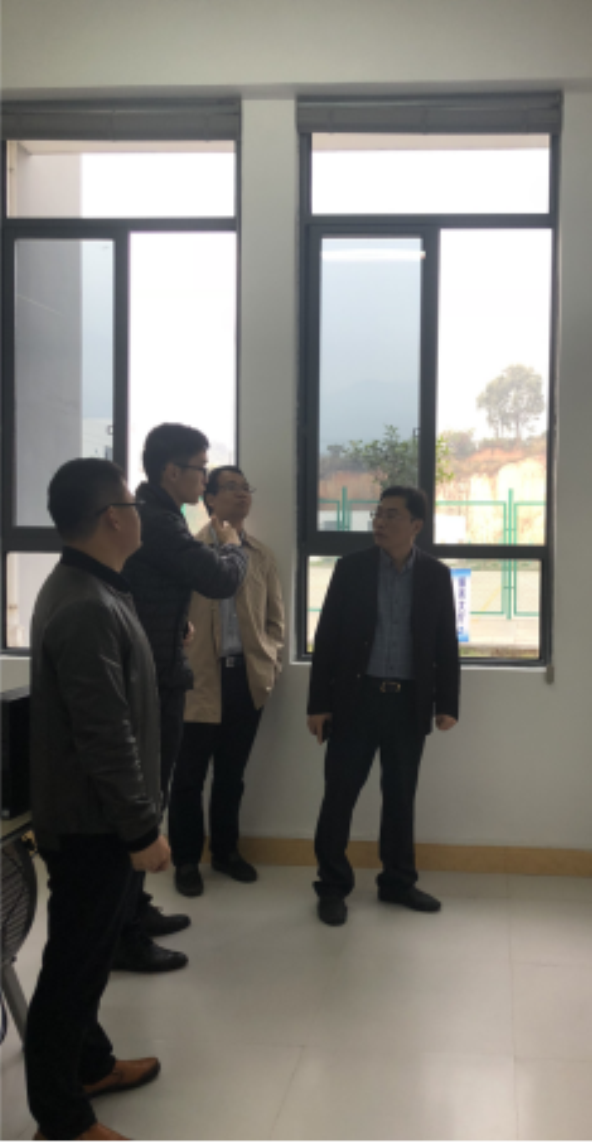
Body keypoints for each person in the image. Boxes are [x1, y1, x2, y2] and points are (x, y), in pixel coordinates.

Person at [27, 459, 170, 1144]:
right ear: (113, 517)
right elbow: (104, 734)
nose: (140, 513)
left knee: (85, 955)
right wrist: (141, 828)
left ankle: (90, 1065)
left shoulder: (92, 588)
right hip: (93, 823)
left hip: (92, 816)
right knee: (73, 970)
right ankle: (62, 1121)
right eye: (132, 504)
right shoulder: (86, 603)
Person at [113, 424, 249, 974]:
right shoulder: (160, 522)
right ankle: (124, 932)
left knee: (153, 793)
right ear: (172, 472)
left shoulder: (155, 517)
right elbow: (218, 579)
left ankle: (134, 908)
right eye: (200, 467)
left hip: (160, 666)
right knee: (146, 799)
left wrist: (172, 627)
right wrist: (233, 546)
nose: (204, 477)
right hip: (151, 681)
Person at [308, 486, 461, 928]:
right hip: (355, 700)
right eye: (377, 513)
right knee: (339, 795)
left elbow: (445, 644)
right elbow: (327, 638)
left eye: (392, 515)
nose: (379, 521)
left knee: (400, 797)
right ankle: (332, 886)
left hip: (408, 703)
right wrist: (319, 703)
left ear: (416, 525)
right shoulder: (351, 569)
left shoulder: (435, 575)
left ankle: (397, 882)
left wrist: (447, 703)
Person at [169, 465, 286, 898]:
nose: (242, 495)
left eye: (245, 488)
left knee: (231, 775)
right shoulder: (188, 553)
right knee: (188, 778)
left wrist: (270, 663)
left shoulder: (261, 556)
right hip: (197, 680)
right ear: (210, 499)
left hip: (246, 679)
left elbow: (276, 620)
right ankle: (185, 860)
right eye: (231, 488)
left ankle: (225, 852)